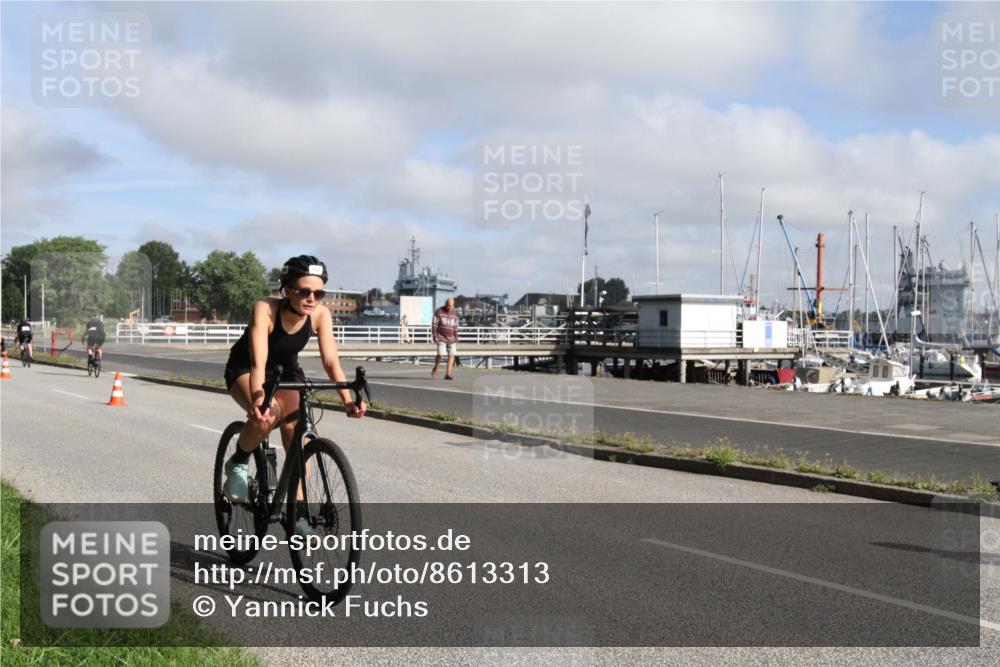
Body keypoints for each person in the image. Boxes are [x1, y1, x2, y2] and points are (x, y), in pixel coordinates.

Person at [221, 255, 366, 533]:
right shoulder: (265, 309)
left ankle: (297, 513)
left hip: (287, 372)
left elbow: (331, 362)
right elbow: (258, 363)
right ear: (287, 289)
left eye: (319, 293)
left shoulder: (321, 315)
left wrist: (348, 400)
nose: (312, 298)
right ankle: (238, 462)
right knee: (267, 416)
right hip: (246, 368)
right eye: (304, 291)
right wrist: (258, 399)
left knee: (298, 437)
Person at [431, 297, 459, 380]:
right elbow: (434, 325)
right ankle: (435, 368)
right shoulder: (439, 311)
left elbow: (456, 326)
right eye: (448, 305)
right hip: (441, 337)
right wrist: (434, 336)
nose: (450, 307)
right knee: (441, 354)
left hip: (451, 338)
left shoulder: (455, 313)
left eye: (451, 306)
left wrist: (456, 337)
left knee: (452, 355)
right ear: (445, 304)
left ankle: (448, 374)